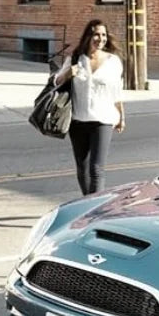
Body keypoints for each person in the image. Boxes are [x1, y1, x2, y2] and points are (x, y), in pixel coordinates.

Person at [54, 19, 125, 195]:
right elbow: (55, 81)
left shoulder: (113, 61)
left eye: (103, 35)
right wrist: (68, 73)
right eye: (96, 34)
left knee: (96, 169)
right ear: (87, 37)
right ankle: (88, 203)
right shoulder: (76, 58)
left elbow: (117, 92)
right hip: (77, 120)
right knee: (82, 168)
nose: (100, 39)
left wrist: (121, 116)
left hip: (103, 120)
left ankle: (94, 208)